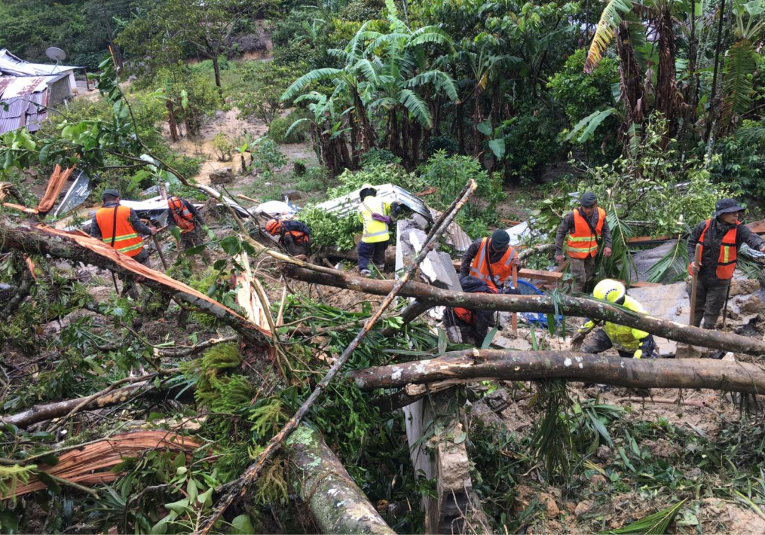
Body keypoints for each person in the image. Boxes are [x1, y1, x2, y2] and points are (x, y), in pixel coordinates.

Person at [687, 198, 765, 329]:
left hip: (720, 280)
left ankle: (707, 339)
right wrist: (692, 260)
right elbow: (691, 243)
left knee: (712, 312)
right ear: (721, 214)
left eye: (737, 212)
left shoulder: (739, 230)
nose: (736, 215)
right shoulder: (704, 226)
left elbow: (752, 238)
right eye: (732, 212)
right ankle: (690, 334)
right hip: (699, 275)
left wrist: (761, 246)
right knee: (695, 309)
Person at [90, 188, 156, 298]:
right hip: (137, 251)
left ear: (103, 201)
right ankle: (151, 296)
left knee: (127, 279)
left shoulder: (97, 216)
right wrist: (150, 231)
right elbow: (139, 227)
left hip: (118, 256)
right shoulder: (127, 210)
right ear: (118, 199)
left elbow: (94, 238)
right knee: (147, 274)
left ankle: (137, 302)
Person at [575, 279, 659, 359]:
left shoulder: (635, 312)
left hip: (630, 346)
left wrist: (636, 362)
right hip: (609, 335)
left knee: (631, 368)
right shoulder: (605, 305)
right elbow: (594, 317)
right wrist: (582, 332)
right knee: (586, 350)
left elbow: (646, 341)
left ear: (615, 303)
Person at [555, 192, 612, 293]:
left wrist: (608, 245)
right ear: (581, 205)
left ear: (595, 204)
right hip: (576, 254)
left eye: (591, 207)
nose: (588, 210)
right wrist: (558, 252)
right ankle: (574, 301)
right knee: (579, 279)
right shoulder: (572, 215)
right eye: (586, 207)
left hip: (591, 253)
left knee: (588, 276)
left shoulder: (601, 214)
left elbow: (606, 230)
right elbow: (560, 232)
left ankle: (582, 296)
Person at [445, 275, 520, 347]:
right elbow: (481, 327)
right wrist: (482, 346)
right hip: (454, 318)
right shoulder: (489, 301)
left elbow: (487, 318)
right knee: (460, 345)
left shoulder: (493, 291)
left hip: (463, 313)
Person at [357, 185, 400, 277]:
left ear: (362, 195)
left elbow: (361, 221)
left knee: (363, 252)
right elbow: (395, 206)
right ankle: (380, 269)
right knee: (380, 253)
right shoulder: (382, 201)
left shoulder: (361, 206)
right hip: (384, 238)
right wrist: (392, 218)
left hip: (369, 238)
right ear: (374, 192)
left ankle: (365, 270)